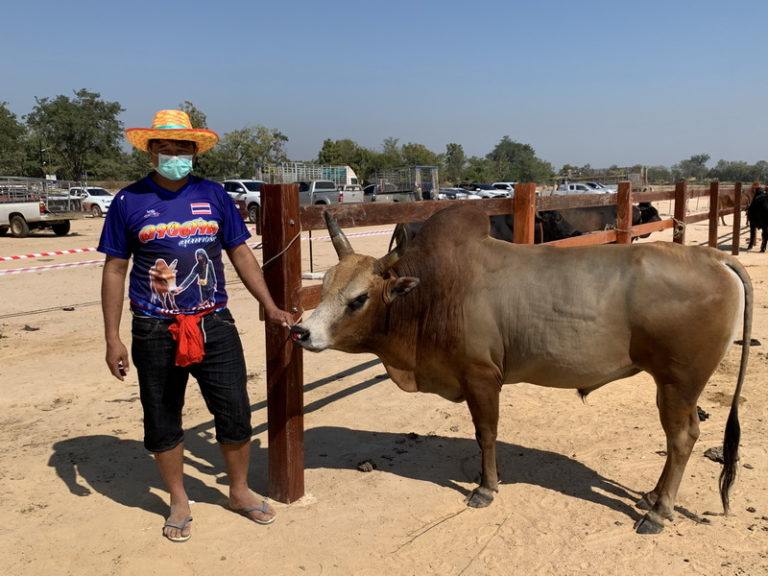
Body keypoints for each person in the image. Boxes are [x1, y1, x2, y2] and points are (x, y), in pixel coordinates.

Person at [98, 109, 294, 543]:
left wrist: (270, 305)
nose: (174, 154)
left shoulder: (215, 195)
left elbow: (240, 253)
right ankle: (179, 500)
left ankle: (239, 491)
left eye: (182, 147)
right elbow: (115, 269)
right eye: (164, 147)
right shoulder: (129, 202)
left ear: (194, 151)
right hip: (154, 329)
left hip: (214, 323)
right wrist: (112, 338)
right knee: (162, 418)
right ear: (151, 152)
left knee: (234, 410)